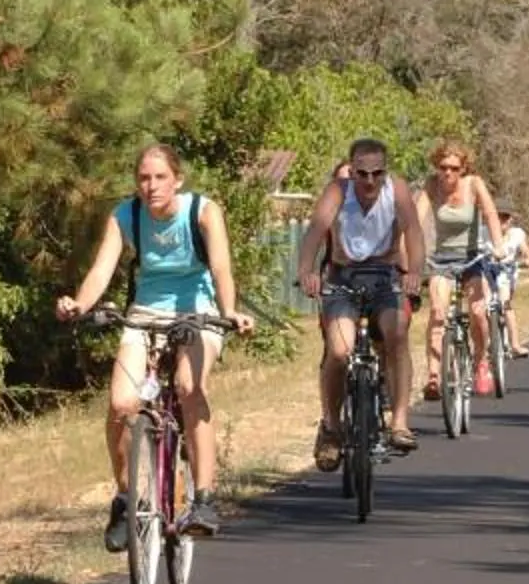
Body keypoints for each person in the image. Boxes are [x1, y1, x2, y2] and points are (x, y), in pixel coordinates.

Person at [59, 141, 253, 550]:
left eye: (160, 177)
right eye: (144, 178)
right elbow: (101, 270)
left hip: (198, 311)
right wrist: (79, 303)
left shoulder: (202, 211)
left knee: (188, 387)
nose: (151, 186)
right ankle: (126, 498)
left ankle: (203, 500)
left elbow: (220, 267)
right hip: (145, 311)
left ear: (177, 180)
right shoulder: (125, 215)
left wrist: (230, 310)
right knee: (122, 403)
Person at [297, 136, 427, 468]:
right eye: (362, 173)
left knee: (396, 333)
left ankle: (399, 421)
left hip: (384, 276)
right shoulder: (337, 192)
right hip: (343, 278)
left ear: (385, 172)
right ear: (351, 171)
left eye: (377, 173)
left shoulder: (396, 190)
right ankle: (332, 426)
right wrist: (307, 271)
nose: (370, 181)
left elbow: (413, 232)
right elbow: (315, 232)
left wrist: (414, 272)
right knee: (339, 352)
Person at [420, 140, 506, 399]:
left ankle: (481, 362)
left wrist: (498, 245)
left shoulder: (474, 185)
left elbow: (491, 214)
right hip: (442, 260)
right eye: (443, 167)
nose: (448, 173)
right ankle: (434, 376)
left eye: (454, 168)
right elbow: (414, 218)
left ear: (463, 168)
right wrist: (410, 255)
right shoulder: (431, 186)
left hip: (472, 258)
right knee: (437, 312)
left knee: (479, 311)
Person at [492, 200, 529, 359]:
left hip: (507, 273)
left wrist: (528, 259)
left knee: (506, 304)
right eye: (498, 217)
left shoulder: (516, 234)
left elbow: (526, 251)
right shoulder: (483, 232)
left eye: (505, 217)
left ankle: (514, 344)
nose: (502, 221)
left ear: (510, 220)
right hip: (488, 272)